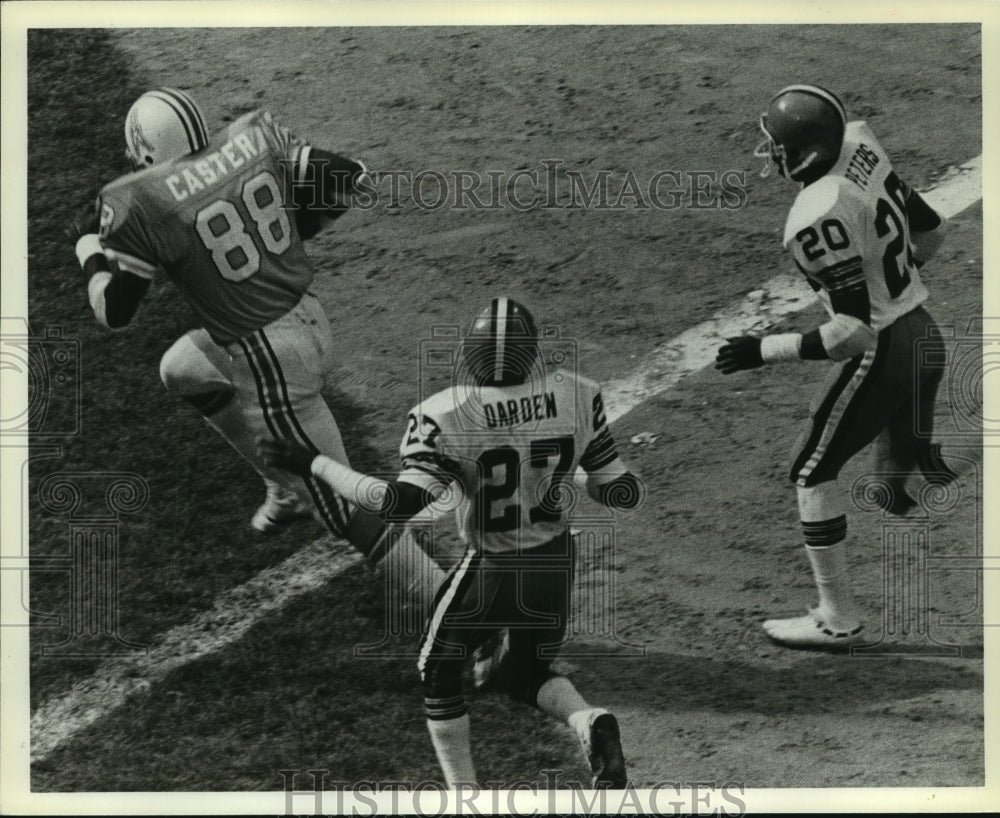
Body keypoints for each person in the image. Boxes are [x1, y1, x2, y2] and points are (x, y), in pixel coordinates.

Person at [260, 296, 642, 788]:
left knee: (436, 666)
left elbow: (392, 503)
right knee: (521, 672)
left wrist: (312, 461)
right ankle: (589, 720)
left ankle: (466, 796)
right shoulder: (576, 394)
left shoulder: (446, 414)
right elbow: (615, 486)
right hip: (554, 560)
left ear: (470, 353)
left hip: (495, 566)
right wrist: (591, 483)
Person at [715, 84, 955, 649]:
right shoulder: (861, 144)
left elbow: (851, 333)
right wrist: (889, 274)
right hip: (925, 334)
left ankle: (836, 618)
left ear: (801, 152)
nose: (769, 154)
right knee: (899, 491)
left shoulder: (813, 216)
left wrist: (763, 351)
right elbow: (934, 232)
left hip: (887, 353)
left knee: (811, 473)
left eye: (776, 145)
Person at [70, 87, 367, 536]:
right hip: (304, 321)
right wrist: (294, 231)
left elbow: (114, 313)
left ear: (147, 154)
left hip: (276, 357)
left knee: (351, 513)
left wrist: (87, 249)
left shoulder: (141, 199)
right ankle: (283, 488)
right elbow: (350, 176)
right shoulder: (248, 138)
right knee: (182, 368)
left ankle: (441, 590)